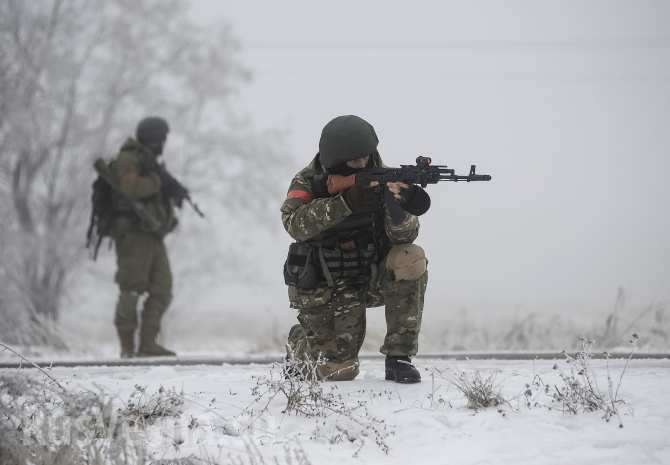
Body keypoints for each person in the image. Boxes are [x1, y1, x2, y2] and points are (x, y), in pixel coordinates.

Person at [282, 115, 430, 383]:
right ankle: (299, 343)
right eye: (353, 161)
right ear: (335, 159)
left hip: (370, 275)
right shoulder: (308, 180)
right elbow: (293, 223)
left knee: (410, 257)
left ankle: (399, 357)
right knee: (339, 371)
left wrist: (397, 208)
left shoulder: (383, 177)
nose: (362, 164)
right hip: (327, 286)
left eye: (365, 157)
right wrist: (346, 202)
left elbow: (406, 236)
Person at [109, 116, 178, 358]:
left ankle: (148, 344)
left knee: (163, 288)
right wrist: (159, 181)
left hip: (152, 235)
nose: (164, 143)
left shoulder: (149, 163)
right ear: (154, 138)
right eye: (162, 139)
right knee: (131, 288)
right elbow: (131, 189)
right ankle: (127, 348)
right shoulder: (128, 159)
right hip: (134, 235)